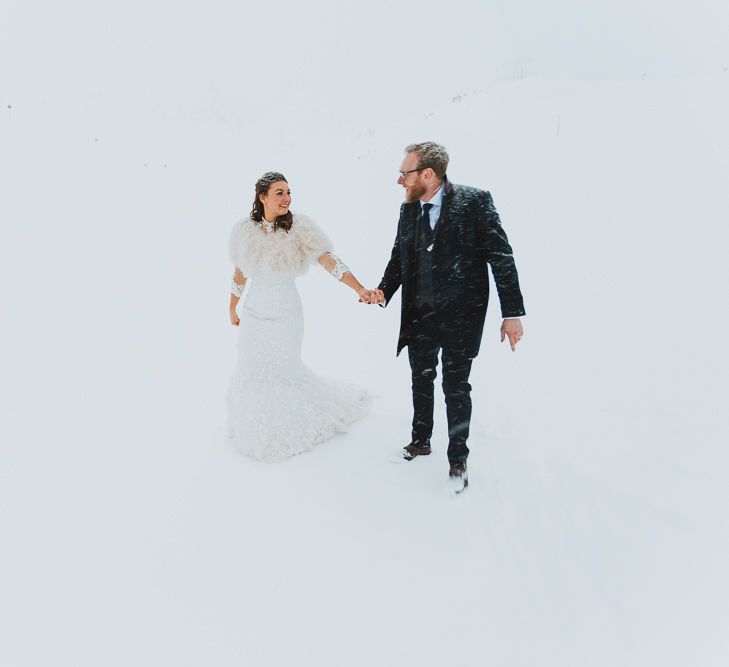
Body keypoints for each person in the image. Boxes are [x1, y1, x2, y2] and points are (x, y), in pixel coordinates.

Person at [368, 142, 525, 492]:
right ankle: (420, 439)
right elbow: (399, 257)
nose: (399, 181)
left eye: (404, 174)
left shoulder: (475, 202)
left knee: (456, 388)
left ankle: (458, 458)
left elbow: (501, 256)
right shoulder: (408, 211)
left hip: (461, 317)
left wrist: (512, 313)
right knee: (420, 379)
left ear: (428, 174)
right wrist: (383, 291)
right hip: (419, 314)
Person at [227, 172, 377, 461]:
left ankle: (286, 423)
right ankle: (254, 424)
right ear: (262, 197)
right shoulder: (243, 231)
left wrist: (358, 288)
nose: (287, 198)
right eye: (279, 193)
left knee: (283, 372)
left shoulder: (300, 228)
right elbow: (239, 272)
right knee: (253, 369)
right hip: (254, 314)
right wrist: (232, 307)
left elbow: (328, 260)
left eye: (288, 192)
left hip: (286, 314)